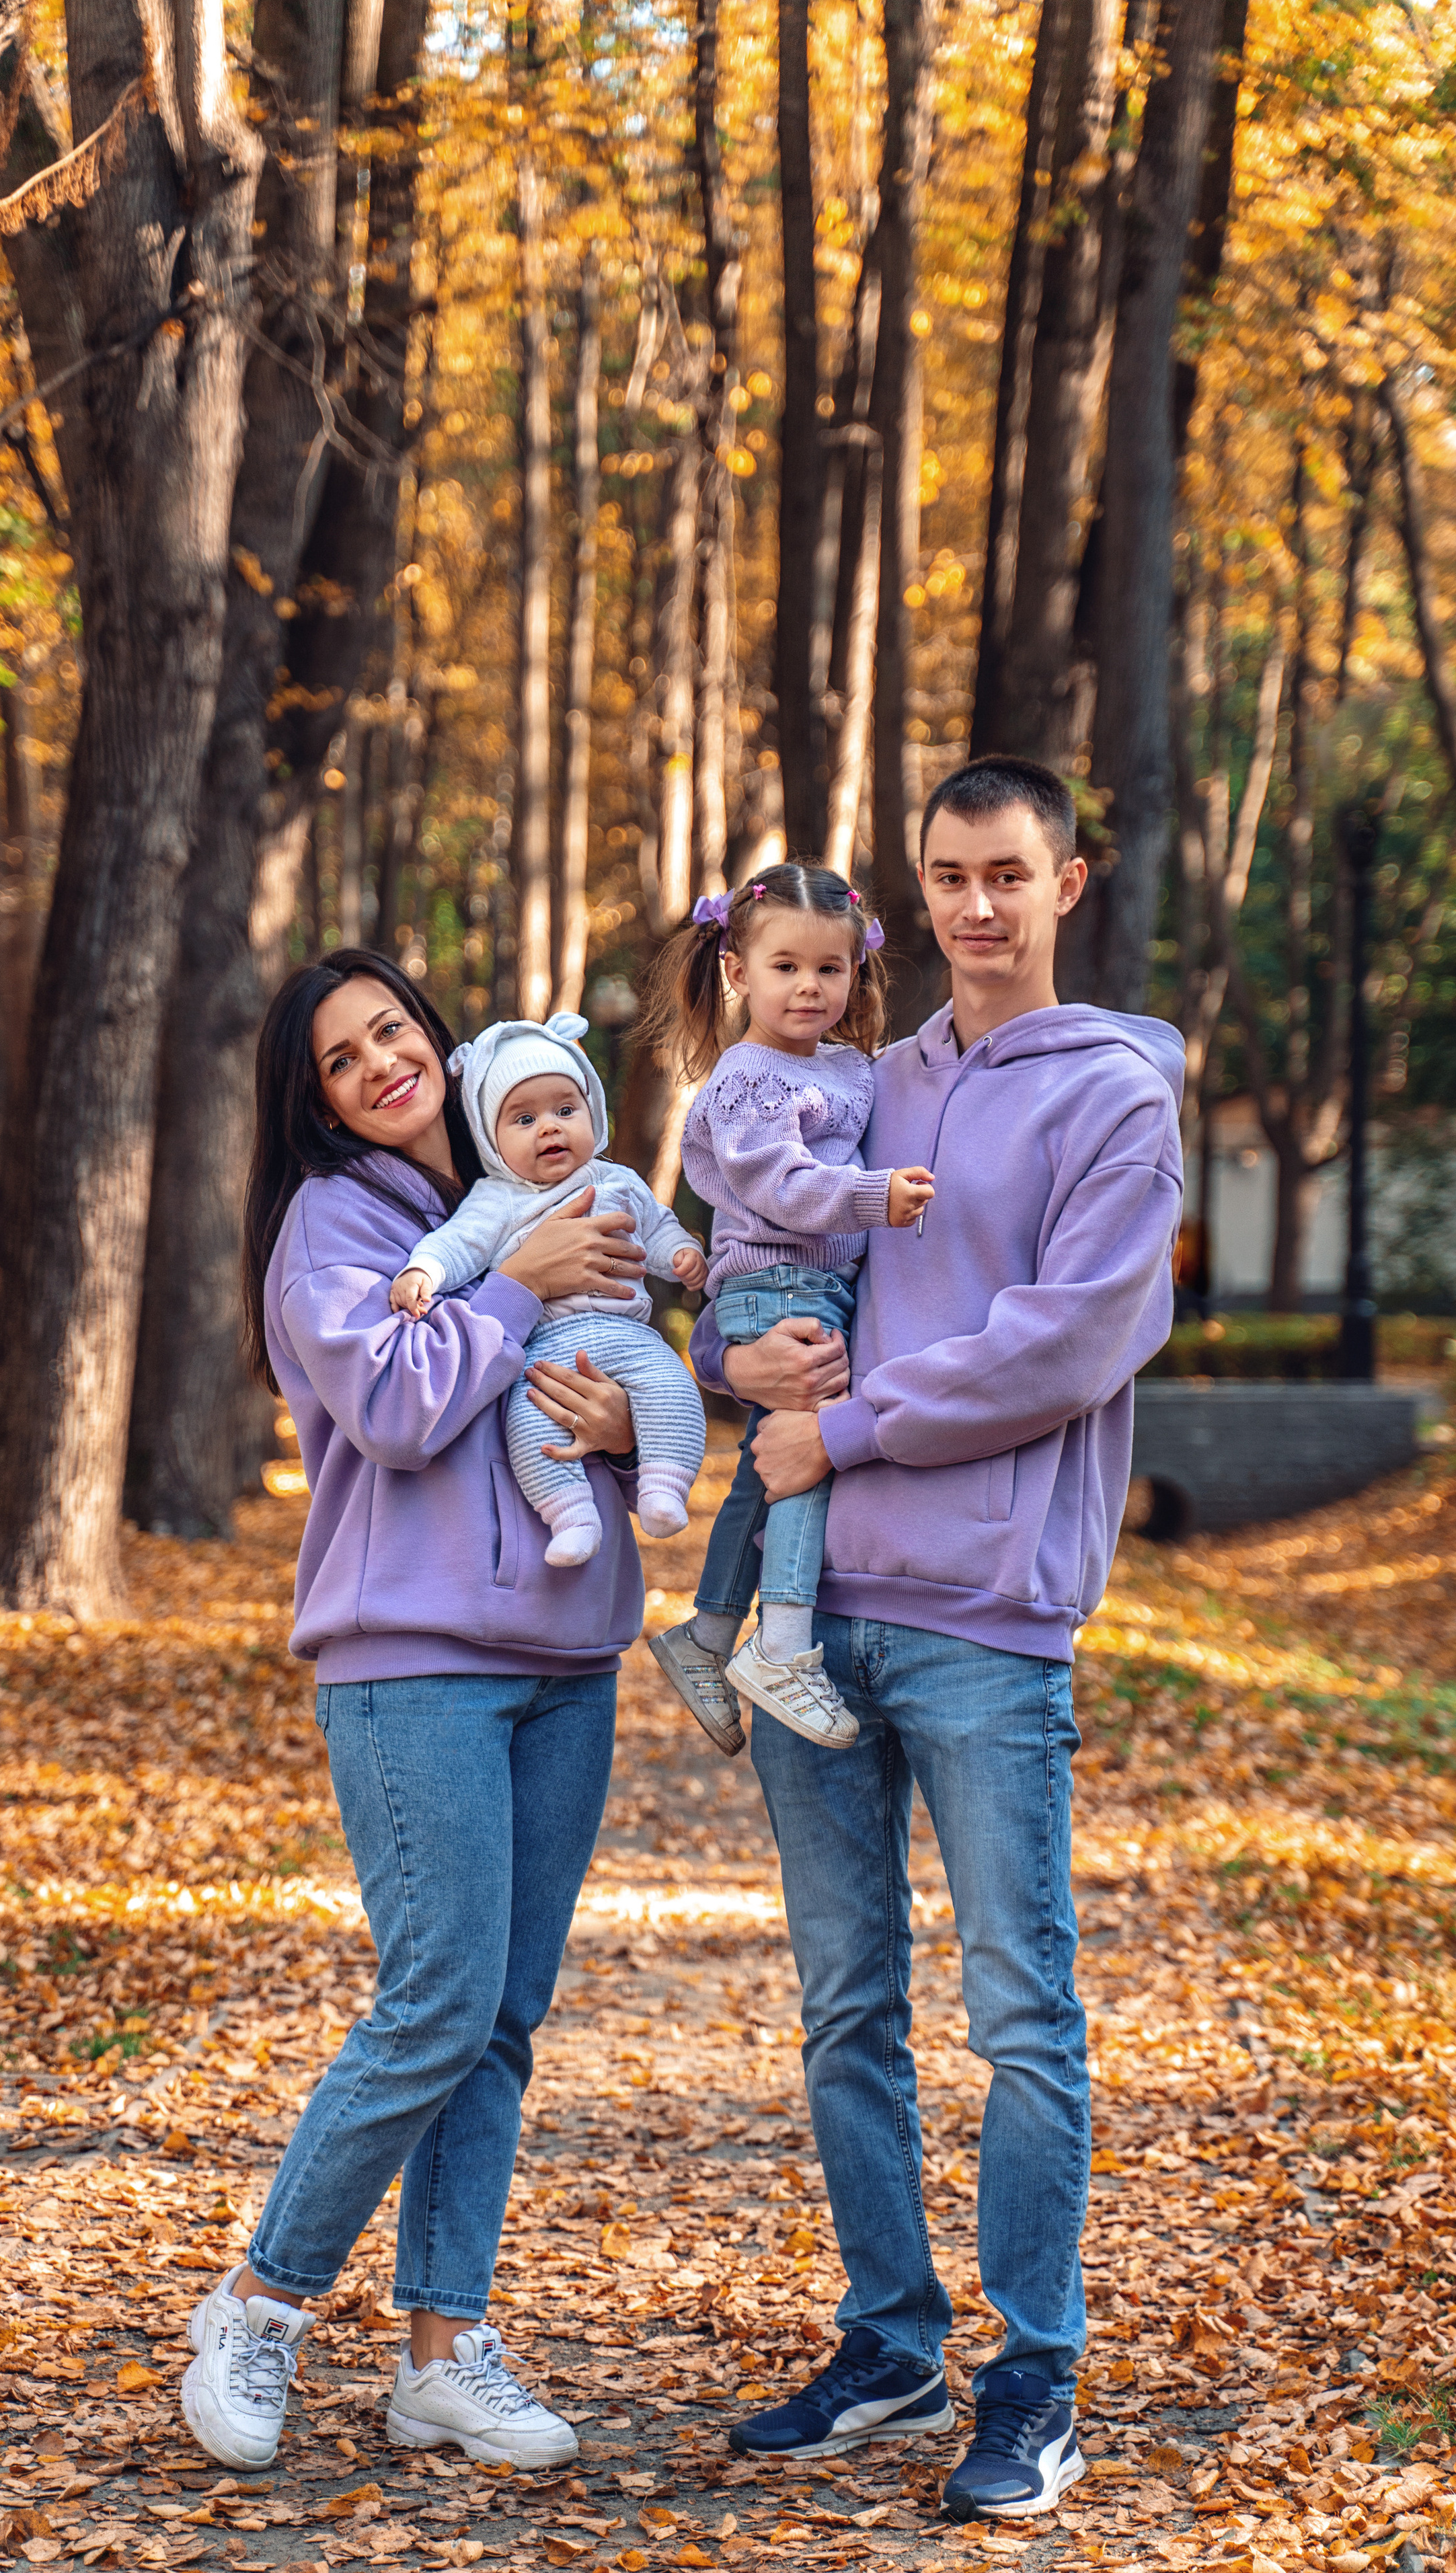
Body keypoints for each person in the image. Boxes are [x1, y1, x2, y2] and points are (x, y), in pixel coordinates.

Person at [688, 759, 1184, 2520]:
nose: (980, 903)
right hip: (824, 1609)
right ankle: (892, 2336)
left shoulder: (1116, 1094)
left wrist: (852, 1426)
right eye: (952, 875)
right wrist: (730, 1369)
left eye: (1010, 874)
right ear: (921, 891)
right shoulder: (857, 1078)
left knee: (1022, 2010)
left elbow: (1070, 1338)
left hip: (986, 1617)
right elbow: (752, 1270)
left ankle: (1031, 2369)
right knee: (845, 2010)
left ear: (1068, 885)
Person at [178, 948, 650, 2477]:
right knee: (437, 1999)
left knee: (499, 2022)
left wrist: (632, 1408)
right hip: (411, 1662)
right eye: (338, 1057)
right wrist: (515, 1288)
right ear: (311, 1104)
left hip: (568, 1658)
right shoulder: (333, 1227)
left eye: (392, 1030)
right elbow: (389, 1406)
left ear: (441, 1042)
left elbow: (626, 1357)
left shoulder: (554, 1178)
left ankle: (444, 2353)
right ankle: (258, 2299)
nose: (378, 1061)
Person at [642, 863, 934, 1753]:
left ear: (857, 973)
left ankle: (706, 1633)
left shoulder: (847, 1067)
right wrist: (874, 1196)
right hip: (776, 1283)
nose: (809, 987)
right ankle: (781, 1646)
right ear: (738, 972)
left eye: (829, 969)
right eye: (786, 968)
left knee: (767, 1468)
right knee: (808, 1465)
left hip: (813, 1285)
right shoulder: (749, 1078)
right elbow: (783, 1186)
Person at [388, 1010, 708, 1564]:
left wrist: (680, 1254)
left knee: (672, 1390)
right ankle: (571, 1518)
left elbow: (656, 1227)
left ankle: (664, 1488)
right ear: (492, 1141)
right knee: (528, 1426)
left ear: (593, 1112)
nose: (550, 1128)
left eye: (566, 1110)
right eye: (524, 1119)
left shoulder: (618, 1181)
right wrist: (424, 1271)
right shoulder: (497, 1198)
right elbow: (457, 1244)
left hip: (629, 1337)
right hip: (545, 1351)